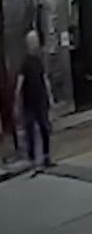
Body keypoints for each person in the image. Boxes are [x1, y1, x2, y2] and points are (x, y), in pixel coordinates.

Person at [13, 31, 52, 167]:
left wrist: (50, 97)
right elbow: (19, 83)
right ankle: (32, 158)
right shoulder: (25, 63)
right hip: (29, 103)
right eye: (33, 41)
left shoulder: (39, 61)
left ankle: (46, 156)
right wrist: (17, 103)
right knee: (30, 131)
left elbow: (44, 79)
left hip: (40, 101)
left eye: (35, 41)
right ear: (28, 44)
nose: (35, 44)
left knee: (44, 128)